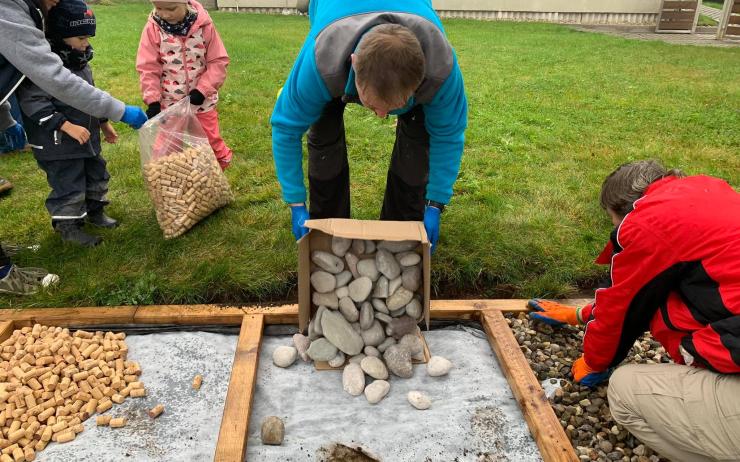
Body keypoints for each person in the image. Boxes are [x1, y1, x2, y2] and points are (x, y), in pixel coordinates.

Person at [529, 160, 740, 462]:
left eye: (613, 222)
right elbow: (639, 290)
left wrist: (594, 360)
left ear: (623, 211)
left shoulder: (648, 223)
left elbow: (623, 308)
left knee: (624, 390)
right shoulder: (707, 194)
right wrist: (578, 315)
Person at [270, 0, 467, 251]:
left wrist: (435, 203)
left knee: (418, 136)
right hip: (334, 15)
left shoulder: (441, 71)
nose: (383, 116)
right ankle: (329, 229)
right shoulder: (321, 61)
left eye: (395, 106)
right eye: (374, 106)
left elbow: (448, 135)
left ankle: (400, 233)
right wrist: (296, 202)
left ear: (421, 78)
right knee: (323, 131)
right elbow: (286, 128)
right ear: (354, 63)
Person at [17, 0, 120, 247]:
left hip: (87, 139)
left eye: (88, 37)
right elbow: (34, 104)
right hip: (58, 145)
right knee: (68, 184)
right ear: (61, 35)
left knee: (96, 173)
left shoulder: (80, 61)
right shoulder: (43, 67)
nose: (86, 43)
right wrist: (65, 125)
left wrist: (104, 122)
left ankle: (95, 211)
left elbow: (90, 94)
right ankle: (68, 225)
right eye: (81, 37)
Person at [136, 0, 232, 170]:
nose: (164, 14)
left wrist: (203, 90)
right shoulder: (153, 29)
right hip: (170, 103)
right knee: (166, 149)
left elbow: (218, 61)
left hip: (202, 102)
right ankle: (171, 184)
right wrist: (153, 100)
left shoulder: (204, 26)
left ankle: (214, 179)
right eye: (159, 8)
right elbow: (148, 67)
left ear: (185, 3)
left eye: (171, 8)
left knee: (209, 144)